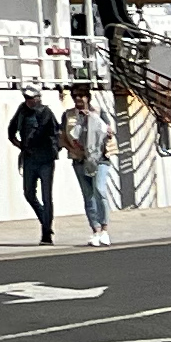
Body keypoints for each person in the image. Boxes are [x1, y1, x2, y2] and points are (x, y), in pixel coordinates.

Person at [7, 83, 64, 243]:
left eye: (31, 98)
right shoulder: (22, 111)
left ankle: (46, 232)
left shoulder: (45, 112)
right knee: (29, 193)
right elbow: (11, 130)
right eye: (26, 98)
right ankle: (45, 221)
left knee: (47, 196)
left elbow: (51, 134)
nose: (28, 101)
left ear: (38, 98)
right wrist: (21, 146)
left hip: (45, 159)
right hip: (29, 159)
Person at [61, 85, 115, 245]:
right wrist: (72, 149)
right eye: (75, 95)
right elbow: (62, 136)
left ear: (88, 97)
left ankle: (105, 229)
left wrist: (96, 121)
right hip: (79, 159)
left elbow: (109, 131)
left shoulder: (98, 112)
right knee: (88, 195)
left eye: (81, 95)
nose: (78, 98)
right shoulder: (68, 115)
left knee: (100, 190)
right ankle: (95, 230)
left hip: (100, 159)